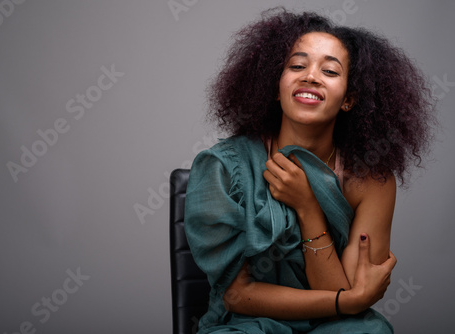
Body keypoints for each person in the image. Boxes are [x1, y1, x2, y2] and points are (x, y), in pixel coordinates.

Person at [184, 8, 434, 334]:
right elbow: (238, 295)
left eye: (329, 71)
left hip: (333, 324)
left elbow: (340, 296)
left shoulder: (371, 180)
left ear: (349, 99)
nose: (310, 76)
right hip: (247, 325)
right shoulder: (222, 168)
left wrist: (308, 207)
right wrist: (348, 302)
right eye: (297, 66)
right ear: (275, 87)